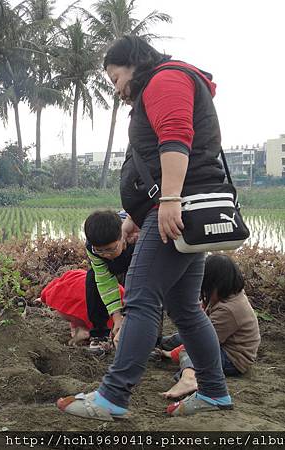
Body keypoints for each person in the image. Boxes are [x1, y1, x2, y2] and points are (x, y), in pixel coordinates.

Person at [57, 35, 232, 420]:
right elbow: (153, 158)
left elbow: (175, 139)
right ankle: (215, 392)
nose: (117, 90)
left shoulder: (166, 80)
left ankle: (113, 397)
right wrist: (137, 216)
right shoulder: (161, 83)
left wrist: (169, 200)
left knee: (139, 298)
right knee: (185, 307)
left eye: (116, 78)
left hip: (176, 208)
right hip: (173, 207)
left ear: (135, 64)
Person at [160, 255, 261, 403]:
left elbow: (202, 340)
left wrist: (172, 354)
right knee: (178, 339)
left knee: (194, 351)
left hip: (233, 358)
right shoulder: (228, 296)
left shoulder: (230, 310)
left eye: (206, 289)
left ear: (217, 286)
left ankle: (189, 378)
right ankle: (160, 344)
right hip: (222, 345)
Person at [82, 210, 134, 355]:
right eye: (101, 251)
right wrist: (117, 318)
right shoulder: (92, 247)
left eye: (110, 249)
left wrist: (126, 318)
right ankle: (100, 334)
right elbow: (105, 281)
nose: (105, 254)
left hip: (135, 259)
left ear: (122, 237)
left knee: (141, 286)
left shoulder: (135, 237)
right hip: (113, 266)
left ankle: (152, 339)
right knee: (93, 278)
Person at [38, 269, 125, 347]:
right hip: (96, 309)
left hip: (64, 308)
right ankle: (85, 331)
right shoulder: (119, 290)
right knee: (96, 319)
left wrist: (42, 298)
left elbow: (46, 293)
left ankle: (79, 330)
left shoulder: (74, 275)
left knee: (76, 311)